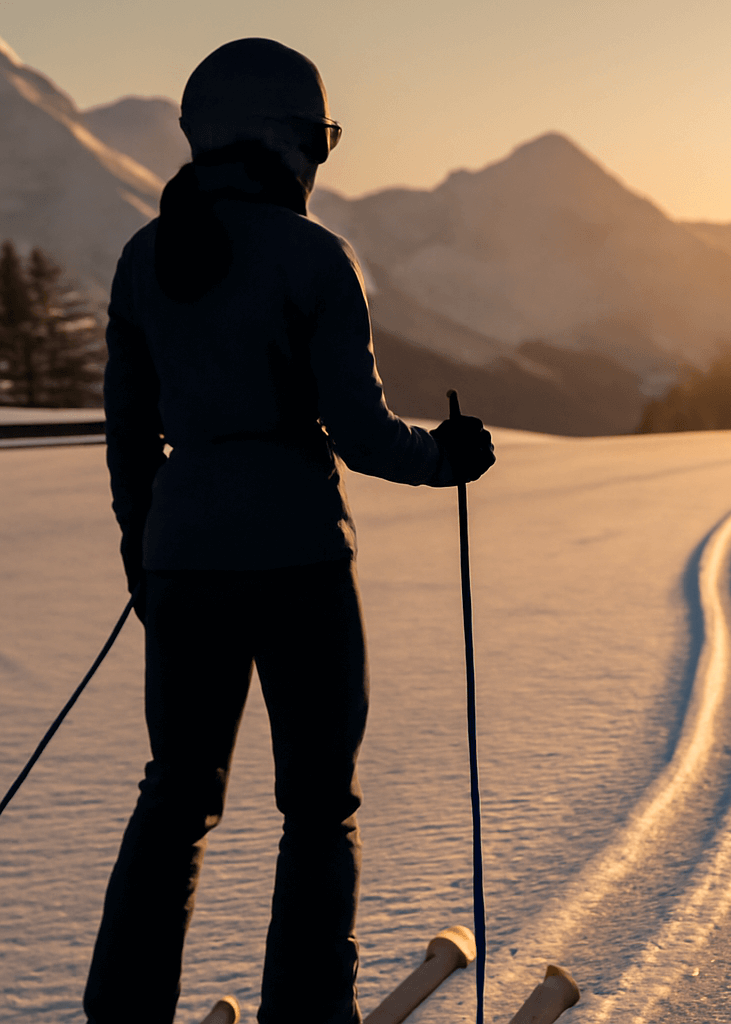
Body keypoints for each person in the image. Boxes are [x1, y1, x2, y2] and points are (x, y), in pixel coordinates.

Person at [87, 38, 494, 1024]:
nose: (320, 158)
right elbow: (361, 434)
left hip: (182, 562)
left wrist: (148, 558)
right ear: (282, 136)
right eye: (321, 138)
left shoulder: (143, 259)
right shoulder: (314, 256)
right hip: (300, 560)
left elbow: (128, 437)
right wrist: (446, 456)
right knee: (318, 805)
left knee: (175, 797)